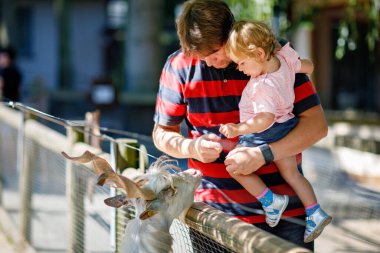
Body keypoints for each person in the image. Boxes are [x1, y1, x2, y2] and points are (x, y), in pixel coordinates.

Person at [152, 0, 328, 250]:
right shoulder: (179, 65)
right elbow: (162, 134)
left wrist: (264, 154)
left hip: (288, 216)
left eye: (215, 53)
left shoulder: (270, 55)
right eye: (202, 57)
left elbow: (317, 126)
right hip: (211, 217)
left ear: (232, 33)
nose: (209, 63)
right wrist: (191, 147)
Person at [218, 20, 331, 243]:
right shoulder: (286, 60)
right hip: (285, 127)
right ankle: (315, 212)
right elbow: (308, 66)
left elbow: (264, 118)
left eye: (241, 63)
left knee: (233, 165)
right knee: (292, 174)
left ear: (259, 53)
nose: (240, 69)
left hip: (264, 133)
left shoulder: (262, 87)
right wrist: (300, 63)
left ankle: (270, 200)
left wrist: (238, 129)